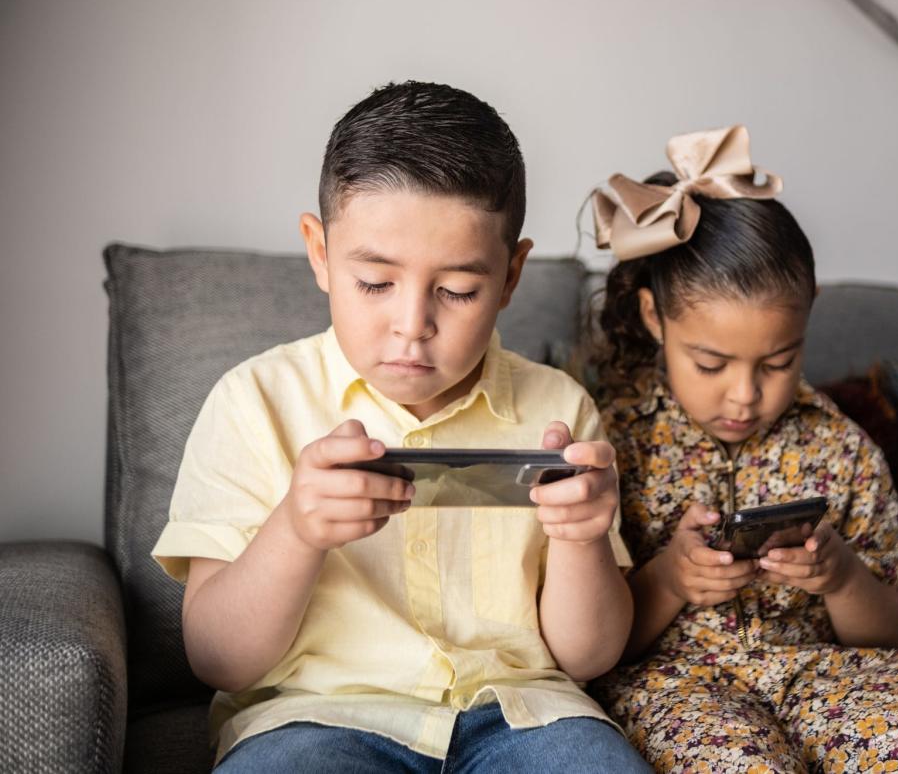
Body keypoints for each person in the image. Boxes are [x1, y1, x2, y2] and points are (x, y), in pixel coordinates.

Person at [152, 80, 650, 773]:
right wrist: (295, 531)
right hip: (314, 718)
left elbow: (590, 656)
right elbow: (219, 660)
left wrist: (582, 539)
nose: (412, 324)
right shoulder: (253, 400)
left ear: (510, 278)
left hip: (528, 718)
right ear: (321, 253)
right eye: (377, 282)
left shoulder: (561, 412)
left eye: (458, 290)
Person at [586, 126, 898, 773]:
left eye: (778, 362)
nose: (744, 396)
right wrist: (671, 576)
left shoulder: (840, 449)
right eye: (710, 363)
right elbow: (595, 644)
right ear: (654, 319)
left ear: (807, 318)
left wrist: (840, 575)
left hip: (832, 678)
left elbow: (886, 635)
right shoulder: (614, 441)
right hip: (681, 689)